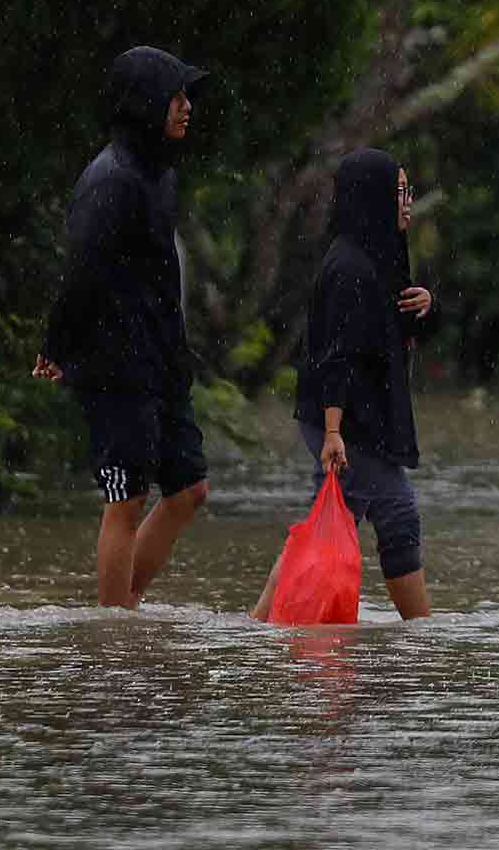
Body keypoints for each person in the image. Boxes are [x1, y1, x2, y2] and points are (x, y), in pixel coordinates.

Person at [33, 45, 213, 608]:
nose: (187, 108)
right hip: (115, 367)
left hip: (161, 361)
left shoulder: (160, 174)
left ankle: (122, 608)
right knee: (127, 498)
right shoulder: (108, 181)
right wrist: (57, 346)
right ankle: (113, 637)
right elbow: (81, 274)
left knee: (189, 490)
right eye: (176, 96)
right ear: (146, 103)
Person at [252, 149, 436, 621]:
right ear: (373, 196)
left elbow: (385, 340)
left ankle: (261, 625)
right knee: (392, 515)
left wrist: (422, 305)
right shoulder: (350, 267)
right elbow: (338, 356)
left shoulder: (378, 256)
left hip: (359, 418)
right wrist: (333, 433)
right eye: (400, 192)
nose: (407, 202)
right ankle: (420, 635)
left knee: (343, 522)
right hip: (345, 420)